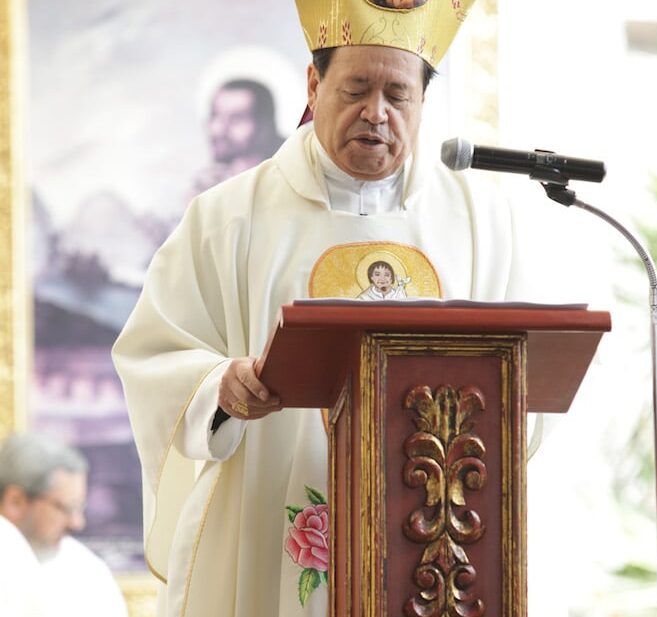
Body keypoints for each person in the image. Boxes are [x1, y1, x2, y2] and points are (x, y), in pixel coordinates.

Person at [112, 0, 559, 614]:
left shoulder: (481, 221)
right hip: (274, 521)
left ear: (423, 104)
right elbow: (154, 351)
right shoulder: (229, 217)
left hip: (434, 537)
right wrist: (221, 388)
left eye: (397, 95)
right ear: (313, 84)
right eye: (355, 89)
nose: (375, 113)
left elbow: (530, 382)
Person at [0, 433, 129, 617]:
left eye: (80, 507)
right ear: (15, 501)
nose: (77, 523)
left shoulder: (90, 575)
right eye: (66, 508)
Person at [192, 78, 286, 195]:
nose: (218, 129)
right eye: (215, 115)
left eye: (236, 119)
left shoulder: (286, 181)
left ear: (264, 127)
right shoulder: (206, 186)